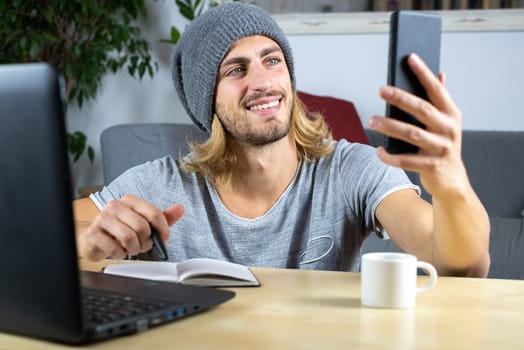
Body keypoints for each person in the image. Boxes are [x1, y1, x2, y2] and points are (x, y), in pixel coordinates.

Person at [74, 2, 490, 277]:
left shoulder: (353, 170)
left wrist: (452, 184)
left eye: (272, 61)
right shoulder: (162, 186)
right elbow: (33, 238)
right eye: (235, 70)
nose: (262, 82)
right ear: (208, 103)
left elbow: (460, 268)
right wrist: (87, 243)